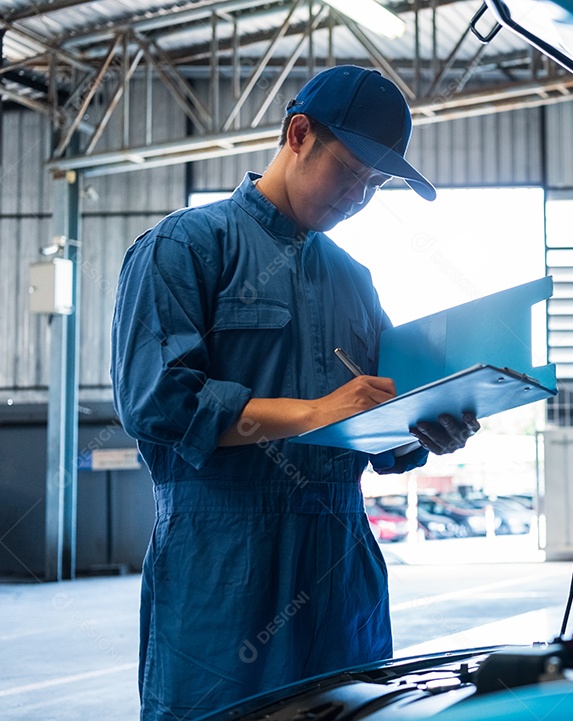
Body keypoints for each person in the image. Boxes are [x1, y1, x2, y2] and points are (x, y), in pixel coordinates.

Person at [111, 65, 479, 721]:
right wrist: (316, 412)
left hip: (344, 575)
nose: (358, 197)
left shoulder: (355, 280)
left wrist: (422, 426)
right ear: (299, 133)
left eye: (374, 186)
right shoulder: (186, 247)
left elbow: (381, 420)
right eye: (351, 171)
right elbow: (159, 401)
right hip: (223, 570)